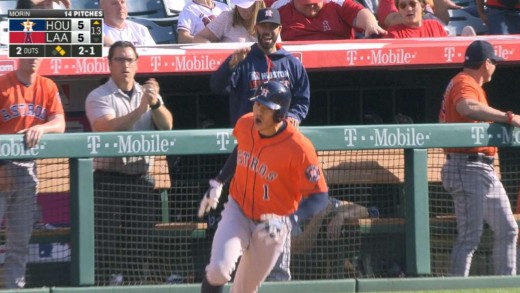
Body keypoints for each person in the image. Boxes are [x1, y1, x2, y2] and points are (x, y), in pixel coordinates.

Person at [197, 80, 329, 293]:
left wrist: (289, 220)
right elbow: (241, 149)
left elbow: (320, 196)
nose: (258, 111)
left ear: (280, 114)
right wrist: (219, 181)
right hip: (238, 210)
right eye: (257, 104)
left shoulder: (299, 148)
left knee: (244, 290)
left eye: (266, 108)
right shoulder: (246, 123)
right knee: (218, 271)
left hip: (272, 226)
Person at [84, 41, 173, 285]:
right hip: (107, 183)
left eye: (130, 60)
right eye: (120, 60)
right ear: (109, 64)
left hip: (140, 182)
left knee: (140, 252)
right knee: (103, 251)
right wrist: (142, 107)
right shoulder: (98, 95)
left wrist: (154, 103)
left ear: (136, 64)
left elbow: (167, 125)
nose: (125, 65)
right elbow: (108, 127)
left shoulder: (148, 94)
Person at [439, 40, 519, 276]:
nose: (495, 66)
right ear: (486, 63)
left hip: (481, 170)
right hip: (466, 166)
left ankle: (506, 285)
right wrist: (507, 116)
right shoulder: (464, 82)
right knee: (470, 237)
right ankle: (456, 288)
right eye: (494, 62)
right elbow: (465, 107)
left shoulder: (471, 84)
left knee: (508, 229)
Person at [0, 57, 65, 289]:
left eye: (38, 53)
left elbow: (59, 122)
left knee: (19, 243)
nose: (34, 58)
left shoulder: (47, 86)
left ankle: (13, 289)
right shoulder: (3, 84)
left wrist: (42, 127)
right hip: (1, 169)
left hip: (27, 171)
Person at [210, 7, 309, 127]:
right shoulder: (243, 58)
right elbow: (218, 88)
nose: (267, 31)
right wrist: (231, 65)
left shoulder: (292, 63)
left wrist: (294, 115)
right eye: (263, 26)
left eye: (272, 26)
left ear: (279, 29)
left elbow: (302, 99)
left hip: (280, 133)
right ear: (256, 28)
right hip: (249, 134)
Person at [270, 0, 387, 41]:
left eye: (315, 3)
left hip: (340, 65)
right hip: (296, 65)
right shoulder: (279, 8)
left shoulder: (335, 3)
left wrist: (370, 25)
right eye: (306, 5)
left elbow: (361, 13)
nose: (311, 7)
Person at [193, 0, 265, 43]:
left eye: (248, 5)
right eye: (239, 4)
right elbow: (198, 38)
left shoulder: (269, 20)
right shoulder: (227, 17)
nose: (243, 9)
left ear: (258, 3)